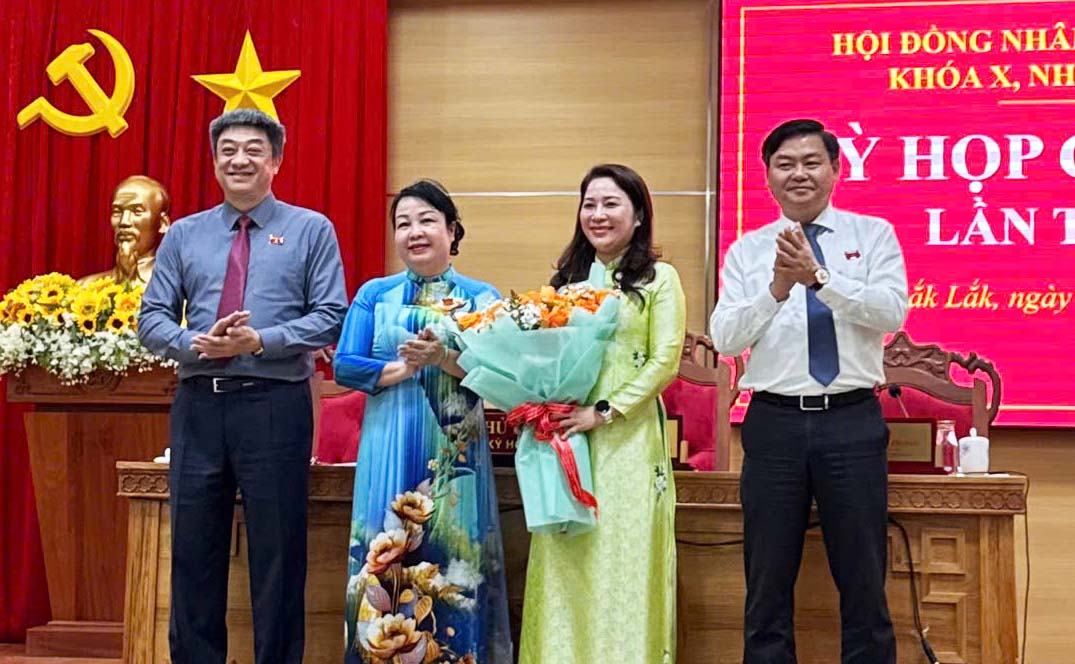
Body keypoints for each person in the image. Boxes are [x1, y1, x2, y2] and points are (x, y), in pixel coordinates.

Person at [138, 108, 348, 664]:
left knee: (279, 553)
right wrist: (196, 344)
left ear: (275, 161)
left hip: (275, 406)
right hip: (199, 407)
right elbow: (151, 319)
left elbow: (331, 315)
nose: (240, 160)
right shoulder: (185, 234)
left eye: (254, 149)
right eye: (228, 150)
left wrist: (260, 341)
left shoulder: (311, 229)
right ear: (214, 163)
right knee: (193, 550)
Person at [710, 118, 908, 664]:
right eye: (785, 164)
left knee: (863, 578)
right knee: (767, 579)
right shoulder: (747, 251)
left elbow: (891, 312)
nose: (799, 173)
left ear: (836, 170)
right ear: (768, 177)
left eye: (811, 162)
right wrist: (777, 288)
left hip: (851, 422)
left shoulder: (873, 235)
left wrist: (820, 278)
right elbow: (726, 338)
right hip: (774, 423)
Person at [334, 179, 513, 664]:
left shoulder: (480, 297)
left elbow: (501, 376)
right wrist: (403, 368)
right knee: (383, 562)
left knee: (455, 566)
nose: (414, 231)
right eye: (403, 223)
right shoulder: (375, 294)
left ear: (452, 231)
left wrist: (444, 358)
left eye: (427, 220)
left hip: (455, 456)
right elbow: (345, 364)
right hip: (387, 445)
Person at [518, 164, 686, 664]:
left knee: (622, 562)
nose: (598, 214)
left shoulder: (659, 279)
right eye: (589, 204)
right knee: (566, 562)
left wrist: (606, 411)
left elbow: (665, 360)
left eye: (611, 204)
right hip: (566, 440)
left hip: (628, 442)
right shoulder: (563, 283)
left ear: (639, 216)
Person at [78, 175, 171, 285]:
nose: (124, 222)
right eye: (117, 212)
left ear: (162, 223)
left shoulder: (173, 287)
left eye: (137, 211)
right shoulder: (85, 286)